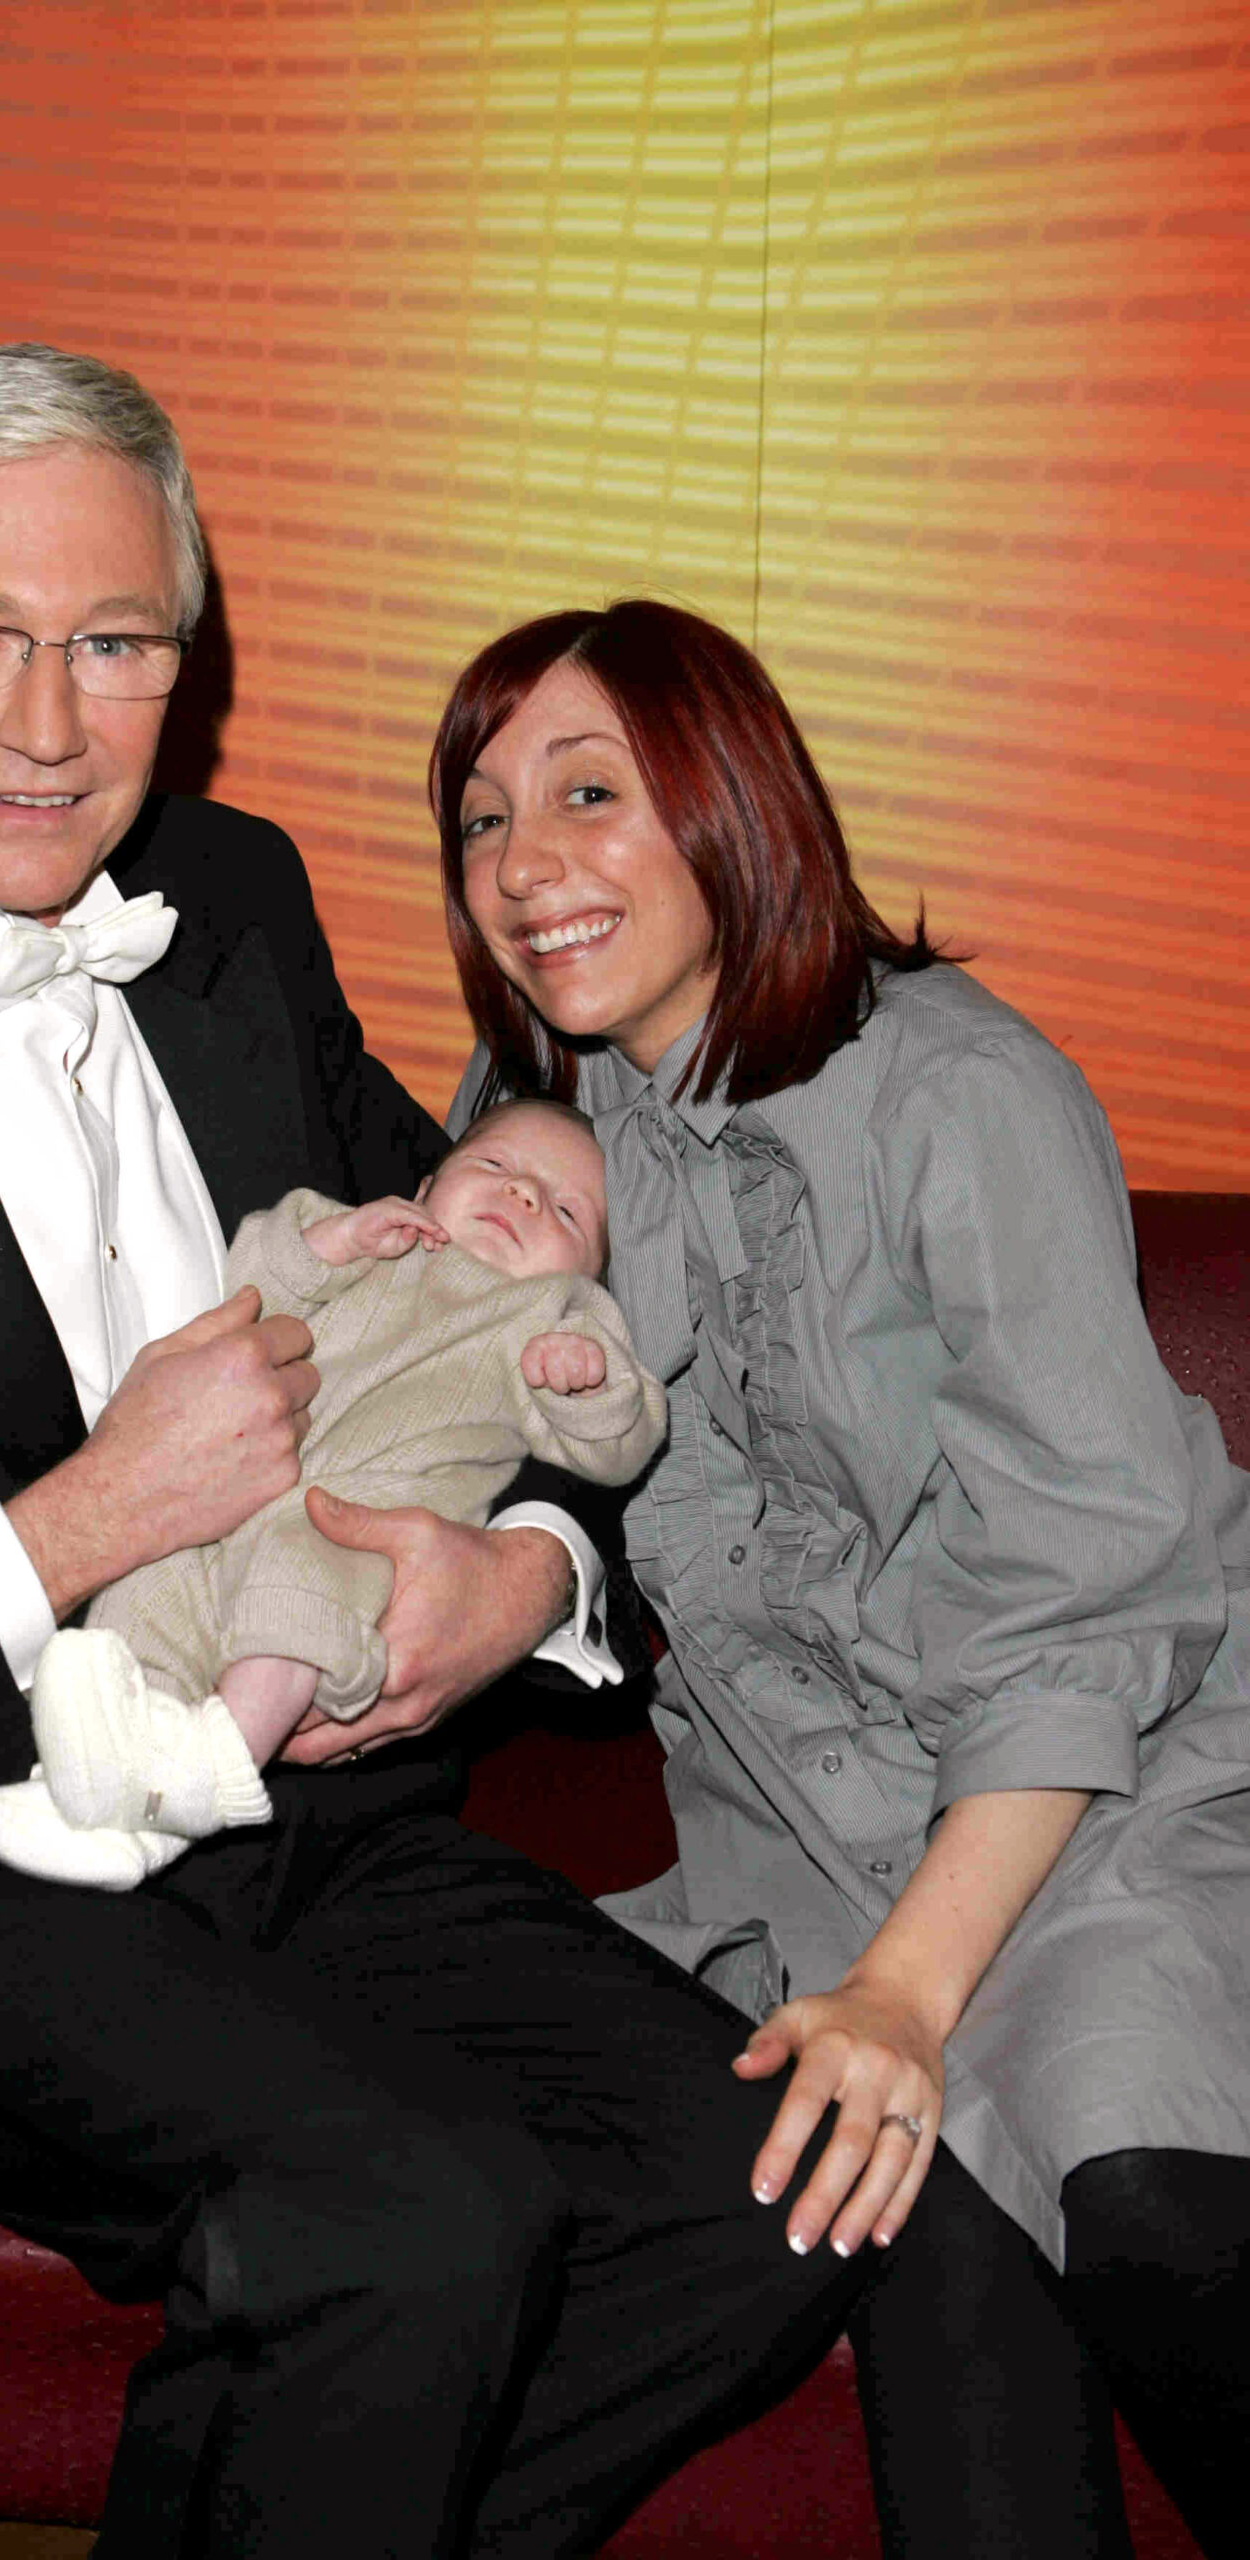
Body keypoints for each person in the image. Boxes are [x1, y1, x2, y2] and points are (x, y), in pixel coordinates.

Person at [0, 348, 867, 2558]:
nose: (52, 726)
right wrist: (72, 1524)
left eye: (117, 644)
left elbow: (501, 1298)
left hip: (305, 1773)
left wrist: (526, 1567)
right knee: (407, 2217)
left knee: (778, 2190)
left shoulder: (230, 902)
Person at [431, 595, 1250, 2560]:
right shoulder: (528, 1129)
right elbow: (467, 1454)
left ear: (731, 798)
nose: (523, 861)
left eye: (587, 792)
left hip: (1086, 1777)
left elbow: (1090, 1593)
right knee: (898, 2205)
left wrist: (904, 1981)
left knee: (1128, 2200)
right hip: (789, 1825)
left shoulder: (958, 1088)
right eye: (475, 818)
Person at [0, 1098, 668, 1886]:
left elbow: (623, 1437)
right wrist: (335, 1241)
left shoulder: (554, 1315)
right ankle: (106, 1801)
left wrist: (586, 1381)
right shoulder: (366, 1240)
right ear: (426, 1185)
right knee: (150, 1584)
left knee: (299, 1586)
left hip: (361, 1526)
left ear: (591, 1275)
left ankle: (223, 1763)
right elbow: (250, 1285)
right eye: (494, 1167)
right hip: (229, 1493)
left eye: (565, 1210)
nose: (524, 1195)